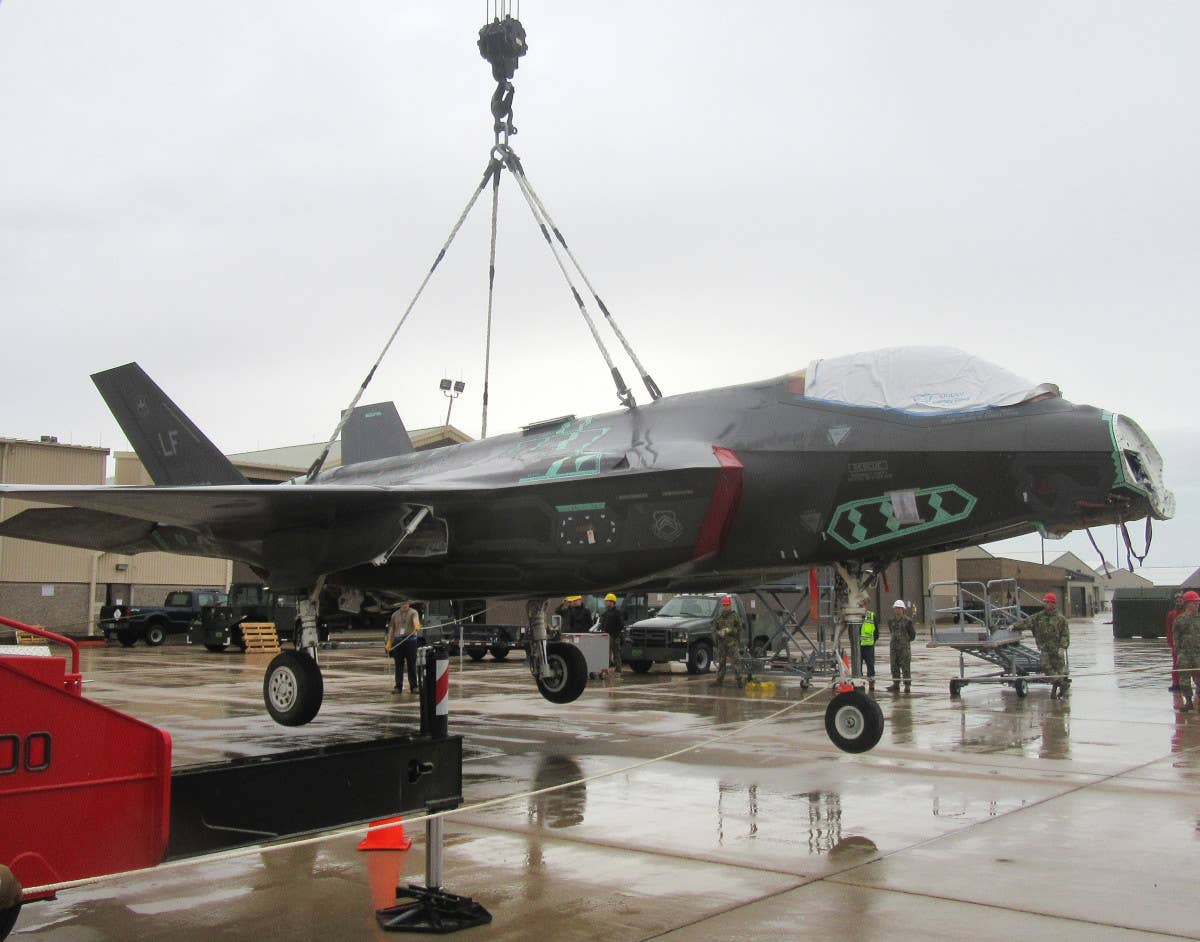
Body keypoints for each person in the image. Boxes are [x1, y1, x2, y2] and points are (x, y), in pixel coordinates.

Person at [1015, 592, 1070, 698]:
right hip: (1045, 648)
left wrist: (1063, 647)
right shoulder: (1039, 616)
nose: (1045, 604)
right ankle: (1063, 685)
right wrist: (1015, 626)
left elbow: (1065, 634)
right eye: (1045, 602)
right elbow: (1027, 622)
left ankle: (1056, 692)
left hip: (1057, 649)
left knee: (1060, 671)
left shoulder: (1061, 618)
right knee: (1045, 666)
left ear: (1053, 603)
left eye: (1048, 602)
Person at [1171, 591, 1200, 711]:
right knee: (1184, 678)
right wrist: (1177, 652)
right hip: (1185, 653)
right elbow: (1176, 638)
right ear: (1188, 604)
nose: (1197, 605)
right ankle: (1188, 701)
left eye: (1198, 603)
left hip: (1198, 653)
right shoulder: (1179, 620)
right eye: (1195, 603)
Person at [386, 599, 421, 693]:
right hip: (398, 641)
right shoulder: (395, 614)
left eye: (406, 603)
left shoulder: (413, 612)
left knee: (411, 665)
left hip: (410, 641)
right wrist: (389, 641)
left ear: (409, 603)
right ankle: (398, 687)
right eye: (403, 603)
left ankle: (414, 686)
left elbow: (415, 619)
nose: (405, 605)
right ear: (400, 604)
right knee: (398, 665)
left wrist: (416, 625)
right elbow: (392, 628)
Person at [885, 599, 916, 692]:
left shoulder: (908, 621)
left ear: (903, 610)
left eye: (899, 608)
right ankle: (896, 684)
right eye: (896, 608)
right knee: (894, 667)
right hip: (894, 648)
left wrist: (905, 641)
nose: (897, 610)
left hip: (904, 649)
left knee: (905, 667)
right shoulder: (891, 621)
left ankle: (907, 685)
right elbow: (892, 631)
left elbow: (912, 635)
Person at [712, 596, 744, 687]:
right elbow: (714, 628)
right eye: (724, 605)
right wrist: (719, 633)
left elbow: (740, 628)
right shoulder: (720, 616)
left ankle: (739, 681)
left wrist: (731, 631)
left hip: (732, 643)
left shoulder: (734, 616)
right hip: (722, 644)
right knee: (721, 663)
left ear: (730, 605)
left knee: (736, 662)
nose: (726, 607)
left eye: (727, 605)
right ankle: (719, 680)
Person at [599, 592, 625, 674]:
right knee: (606, 654)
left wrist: (616, 634)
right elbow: (601, 624)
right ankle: (605, 670)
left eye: (607, 601)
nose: (605, 603)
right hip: (605, 636)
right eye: (605, 601)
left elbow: (621, 624)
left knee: (616, 654)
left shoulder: (617, 613)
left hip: (614, 636)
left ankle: (618, 670)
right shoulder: (605, 613)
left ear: (612, 602)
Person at [1166, 592, 1184, 692]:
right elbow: (1169, 629)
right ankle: (1176, 684)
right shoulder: (1171, 614)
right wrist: (1170, 642)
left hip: (1187, 644)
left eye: (1181, 600)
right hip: (1176, 644)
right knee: (1176, 664)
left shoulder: (1188, 613)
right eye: (1177, 600)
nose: (1179, 602)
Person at [859, 607, 878, 688]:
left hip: (868, 646)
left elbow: (876, 631)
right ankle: (859, 684)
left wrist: (873, 641)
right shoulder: (854, 615)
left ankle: (871, 684)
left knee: (870, 665)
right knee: (857, 666)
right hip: (858, 646)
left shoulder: (871, 615)